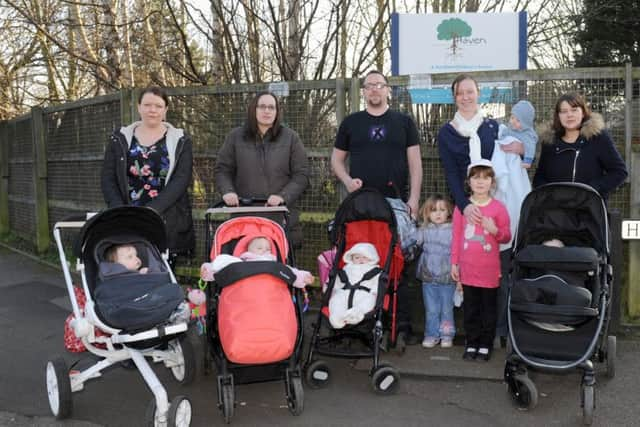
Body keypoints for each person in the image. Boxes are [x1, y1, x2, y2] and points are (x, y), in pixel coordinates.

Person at [331, 70, 423, 347]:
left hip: (395, 203)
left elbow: (415, 164)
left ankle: (400, 326)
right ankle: (361, 321)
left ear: (387, 91)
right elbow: (336, 161)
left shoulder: (404, 122)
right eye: (369, 86)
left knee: (398, 263)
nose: (374, 91)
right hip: (361, 207)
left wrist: (415, 200)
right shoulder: (351, 123)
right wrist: (348, 181)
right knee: (361, 263)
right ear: (364, 91)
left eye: (379, 86)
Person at [437, 74, 519, 348]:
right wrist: (466, 205)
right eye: (461, 93)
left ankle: (497, 332)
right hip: (466, 209)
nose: (466, 97)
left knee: (498, 271)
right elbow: (450, 172)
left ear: (478, 94)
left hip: (495, 209)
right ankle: (473, 336)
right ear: (454, 97)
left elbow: (516, 148)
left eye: (470, 92)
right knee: (468, 273)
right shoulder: (446, 133)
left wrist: (523, 148)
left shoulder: (494, 127)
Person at [101, 86, 195, 266]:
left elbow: (181, 179)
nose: (152, 110)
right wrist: (120, 211)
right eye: (147, 104)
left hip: (164, 219)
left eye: (158, 106)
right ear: (139, 107)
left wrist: (152, 211)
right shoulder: (119, 138)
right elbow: (107, 177)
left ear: (166, 110)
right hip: (127, 219)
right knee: (128, 272)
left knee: (162, 273)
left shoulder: (181, 140)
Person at [214, 91, 310, 247]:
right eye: (262, 107)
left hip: (280, 218)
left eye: (272, 107)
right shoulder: (236, 137)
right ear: (254, 110)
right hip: (244, 217)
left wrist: (283, 196)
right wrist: (227, 191)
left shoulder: (291, 138)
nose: (267, 111)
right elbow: (222, 169)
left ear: (277, 112)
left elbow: (302, 174)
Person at [451, 159, 511, 362]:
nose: (480, 182)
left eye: (486, 177)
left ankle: (485, 344)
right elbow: (457, 237)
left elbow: (506, 236)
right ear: (468, 181)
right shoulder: (462, 208)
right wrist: (454, 263)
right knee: (471, 310)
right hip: (468, 271)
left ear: (492, 182)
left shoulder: (498, 208)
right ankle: (472, 342)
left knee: (488, 309)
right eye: (476, 177)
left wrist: (493, 229)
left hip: (489, 271)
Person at [533, 92, 628, 200]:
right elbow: (539, 176)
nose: (569, 115)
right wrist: (549, 194)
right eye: (564, 111)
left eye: (574, 110)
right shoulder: (549, 142)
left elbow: (619, 172)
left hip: (589, 210)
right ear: (558, 116)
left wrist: (591, 190)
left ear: (583, 113)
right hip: (555, 212)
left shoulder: (598, 138)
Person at [412, 195, 459, 349]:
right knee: (431, 309)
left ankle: (446, 335)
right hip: (428, 276)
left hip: (447, 277)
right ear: (427, 213)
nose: (438, 214)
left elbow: (458, 252)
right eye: (433, 210)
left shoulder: (453, 230)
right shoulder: (423, 229)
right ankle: (431, 334)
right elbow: (412, 241)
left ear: (449, 212)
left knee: (446, 309)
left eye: (442, 210)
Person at [200, 236, 313, 289]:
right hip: (244, 289)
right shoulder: (237, 262)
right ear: (248, 250)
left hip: (270, 289)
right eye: (259, 248)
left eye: (267, 249)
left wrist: (303, 277)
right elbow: (220, 266)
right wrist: (208, 271)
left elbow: (290, 272)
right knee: (230, 266)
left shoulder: (275, 264)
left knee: (282, 269)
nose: (264, 250)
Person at [328, 243, 381, 329]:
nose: (361, 260)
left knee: (370, 300)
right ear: (351, 258)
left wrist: (375, 292)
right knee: (335, 301)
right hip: (345, 293)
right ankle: (337, 317)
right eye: (357, 257)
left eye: (364, 257)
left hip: (364, 294)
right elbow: (339, 281)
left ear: (372, 258)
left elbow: (377, 283)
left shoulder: (375, 270)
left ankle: (355, 314)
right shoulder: (346, 268)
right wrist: (335, 290)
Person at [499, 100, 538, 168]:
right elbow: (503, 133)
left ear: (525, 123)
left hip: (516, 162)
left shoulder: (528, 134)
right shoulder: (511, 128)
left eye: (518, 120)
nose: (513, 122)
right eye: (512, 118)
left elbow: (530, 147)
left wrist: (527, 161)